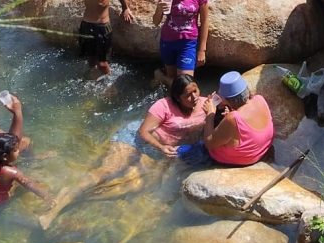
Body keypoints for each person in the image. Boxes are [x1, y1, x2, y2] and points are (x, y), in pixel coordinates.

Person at [38, 75, 208, 230]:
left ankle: (78, 197)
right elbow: (143, 132)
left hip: (157, 152)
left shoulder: (205, 104)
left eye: (195, 90)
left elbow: (229, 106)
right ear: (178, 98)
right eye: (188, 95)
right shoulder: (163, 106)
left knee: (140, 185)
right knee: (106, 172)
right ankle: (55, 208)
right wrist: (162, 147)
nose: (194, 97)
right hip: (135, 140)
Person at [77, 0, 134, 77]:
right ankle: (92, 79)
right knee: (90, 60)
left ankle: (109, 83)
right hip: (86, 25)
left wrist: (125, 8)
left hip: (101, 26)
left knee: (102, 63)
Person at [203, 71, 274, 166]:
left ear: (224, 99)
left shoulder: (233, 118)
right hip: (264, 149)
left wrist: (210, 114)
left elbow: (209, 143)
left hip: (245, 158)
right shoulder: (259, 99)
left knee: (192, 149)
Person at [151, 0, 208, 80]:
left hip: (188, 42)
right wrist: (159, 9)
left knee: (185, 81)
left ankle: (160, 77)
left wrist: (202, 50)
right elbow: (156, 22)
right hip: (167, 41)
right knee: (171, 77)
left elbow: (205, 21)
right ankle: (164, 79)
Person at [0, 133, 53, 210]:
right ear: (5, 157)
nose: (18, 151)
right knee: (25, 183)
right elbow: (29, 184)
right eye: (15, 150)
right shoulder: (13, 172)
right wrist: (45, 196)